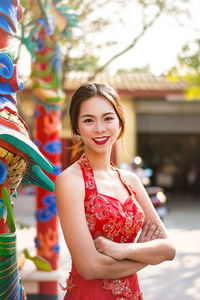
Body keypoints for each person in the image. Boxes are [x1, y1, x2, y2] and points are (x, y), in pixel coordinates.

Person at [55, 82, 176, 299]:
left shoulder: (131, 181)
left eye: (108, 118)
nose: (100, 128)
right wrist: (146, 254)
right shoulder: (70, 181)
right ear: (77, 128)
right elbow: (89, 267)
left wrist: (123, 251)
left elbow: (168, 249)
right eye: (88, 120)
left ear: (120, 122)